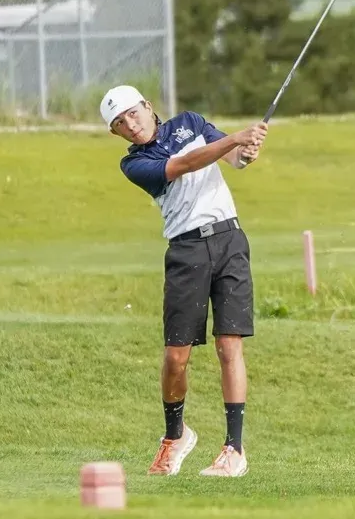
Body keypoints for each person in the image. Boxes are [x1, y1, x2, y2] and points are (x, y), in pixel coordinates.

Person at [99, 85, 268, 478]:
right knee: (177, 357)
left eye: (132, 113)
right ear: (116, 134)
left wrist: (245, 151)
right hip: (186, 251)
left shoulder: (190, 123)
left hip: (229, 240)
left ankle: (234, 449)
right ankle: (175, 437)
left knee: (230, 346)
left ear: (148, 106)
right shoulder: (135, 164)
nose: (130, 124)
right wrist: (234, 138)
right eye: (120, 123)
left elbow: (233, 159)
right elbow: (185, 165)